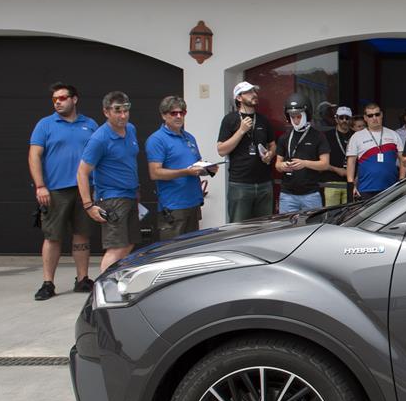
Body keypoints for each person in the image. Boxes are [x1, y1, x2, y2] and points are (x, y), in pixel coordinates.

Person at [28, 81, 98, 300]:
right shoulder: (45, 125)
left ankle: (82, 278)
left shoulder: (90, 124)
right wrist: (40, 186)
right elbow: (34, 156)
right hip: (55, 190)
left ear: (74, 99)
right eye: (55, 99)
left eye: (62, 98)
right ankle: (48, 283)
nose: (58, 102)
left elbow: (100, 155)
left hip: (84, 189)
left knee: (82, 234)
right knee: (53, 236)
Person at [77, 91, 140, 273]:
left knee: (129, 243)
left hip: (130, 195)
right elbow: (82, 172)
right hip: (112, 198)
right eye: (117, 111)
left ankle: (117, 280)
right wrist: (88, 205)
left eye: (126, 110)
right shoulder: (99, 138)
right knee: (116, 247)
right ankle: (103, 289)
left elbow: (129, 162)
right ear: (106, 112)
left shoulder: (131, 129)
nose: (123, 115)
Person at [147, 95, 214, 242]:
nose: (178, 116)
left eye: (182, 113)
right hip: (173, 206)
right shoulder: (157, 139)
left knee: (191, 251)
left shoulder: (189, 137)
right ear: (164, 115)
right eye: (173, 113)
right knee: (171, 253)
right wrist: (185, 172)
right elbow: (155, 173)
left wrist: (207, 169)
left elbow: (196, 164)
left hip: (193, 203)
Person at [216, 81, 276, 222]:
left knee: (265, 228)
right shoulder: (229, 120)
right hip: (240, 185)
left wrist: (270, 154)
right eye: (248, 92)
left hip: (264, 184)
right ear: (239, 98)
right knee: (238, 230)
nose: (254, 94)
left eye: (254, 91)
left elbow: (273, 144)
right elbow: (221, 150)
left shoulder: (263, 120)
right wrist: (241, 131)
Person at [275, 96, 330, 213]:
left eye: (299, 116)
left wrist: (304, 163)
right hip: (287, 194)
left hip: (311, 194)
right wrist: (283, 166)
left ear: (306, 115)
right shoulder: (284, 138)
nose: (295, 120)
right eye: (292, 117)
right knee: (286, 229)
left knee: (313, 228)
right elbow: (277, 165)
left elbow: (325, 164)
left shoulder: (318, 136)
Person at [347, 103, 405, 198]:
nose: (374, 118)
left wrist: (402, 180)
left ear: (381, 115)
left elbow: (403, 160)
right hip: (365, 189)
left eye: (377, 114)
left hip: (391, 188)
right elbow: (351, 162)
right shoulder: (356, 137)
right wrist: (351, 185)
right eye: (370, 115)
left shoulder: (393, 134)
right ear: (365, 118)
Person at [325, 106, 353, 183]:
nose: (344, 120)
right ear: (336, 119)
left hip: (351, 181)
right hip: (331, 181)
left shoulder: (356, 135)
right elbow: (321, 160)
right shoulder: (326, 136)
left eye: (347, 118)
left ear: (350, 120)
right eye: (341, 118)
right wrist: (337, 170)